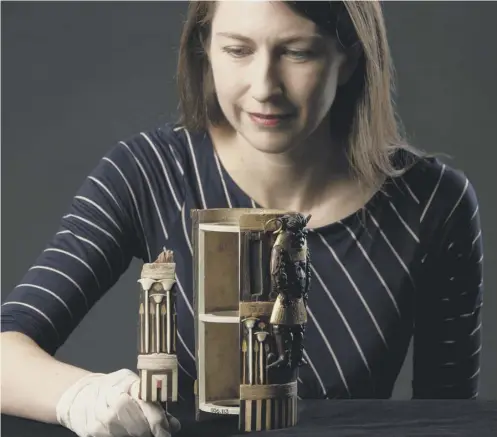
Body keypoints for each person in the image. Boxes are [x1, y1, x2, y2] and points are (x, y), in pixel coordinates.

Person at [1, 1, 484, 436]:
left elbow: (447, 415)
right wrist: (83, 396)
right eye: (237, 50)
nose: (264, 88)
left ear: (351, 57)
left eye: (297, 52)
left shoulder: (434, 203)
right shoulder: (150, 172)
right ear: (204, 49)